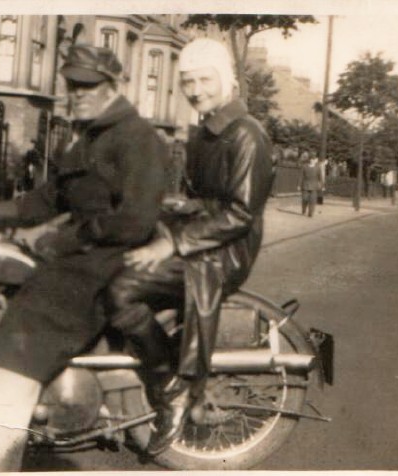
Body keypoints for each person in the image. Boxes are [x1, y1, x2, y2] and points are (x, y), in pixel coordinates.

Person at [0, 45, 169, 472]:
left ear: (113, 87)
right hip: (83, 257)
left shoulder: (137, 137)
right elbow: (46, 199)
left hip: (108, 261)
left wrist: (69, 239)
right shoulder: (88, 138)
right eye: (72, 84)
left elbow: (136, 220)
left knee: (24, 331)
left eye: (87, 85)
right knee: (12, 277)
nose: (77, 93)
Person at [105, 37, 274, 455]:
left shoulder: (248, 136)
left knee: (120, 290)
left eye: (204, 79)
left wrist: (173, 244)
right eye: (188, 82)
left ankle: (171, 386)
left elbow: (239, 214)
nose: (196, 89)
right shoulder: (204, 133)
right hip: (201, 237)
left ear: (227, 80)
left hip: (223, 251)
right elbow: (203, 198)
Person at [299, 151, 323, 217]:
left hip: (314, 186)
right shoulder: (304, 167)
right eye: (311, 159)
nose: (312, 160)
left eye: (314, 159)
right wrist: (299, 185)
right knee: (305, 198)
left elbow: (320, 177)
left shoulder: (318, 168)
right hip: (305, 185)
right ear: (309, 159)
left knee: (312, 200)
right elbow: (301, 176)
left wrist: (321, 185)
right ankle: (304, 209)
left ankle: (310, 213)